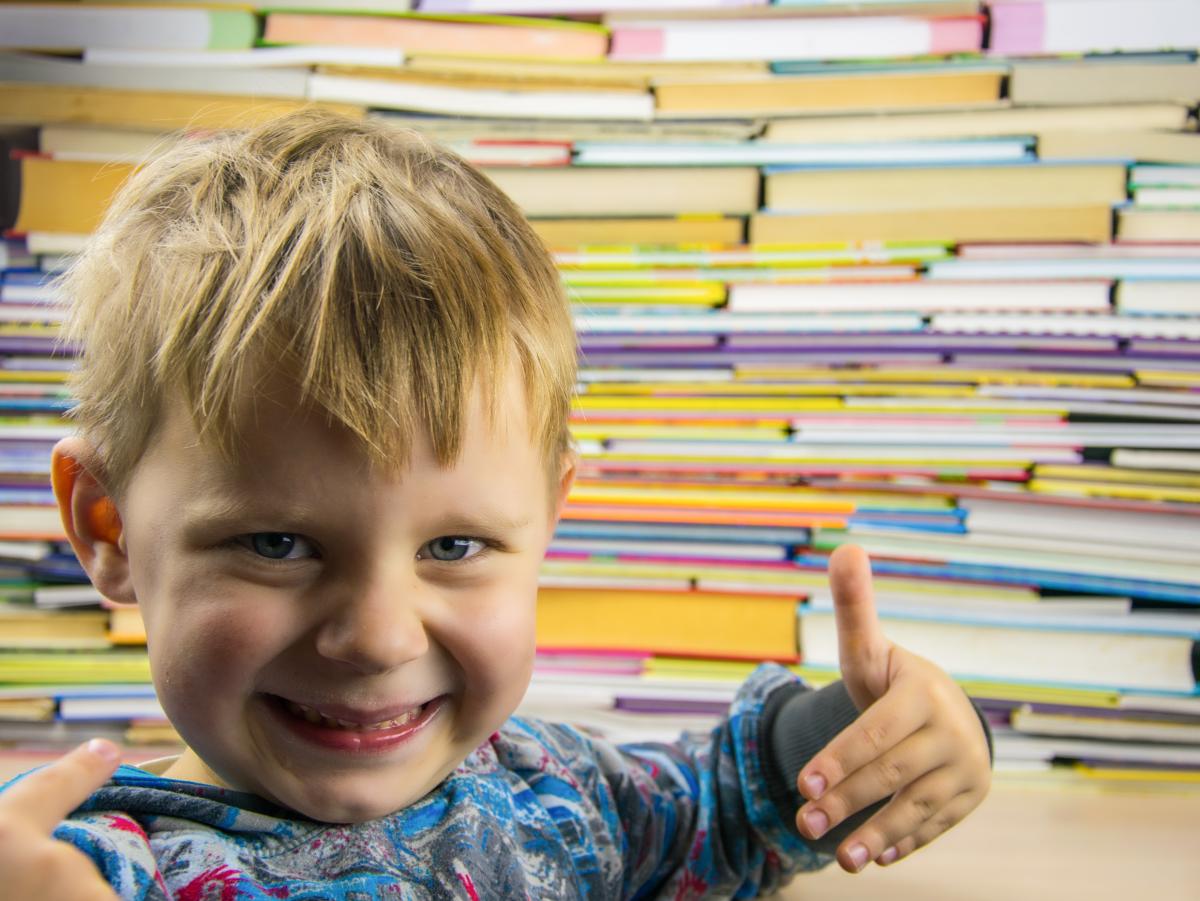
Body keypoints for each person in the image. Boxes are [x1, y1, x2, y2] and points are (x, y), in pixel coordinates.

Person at [0, 111, 992, 900]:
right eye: (278, 542)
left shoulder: (558, 800)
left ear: (547, 519)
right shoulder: (89, 871)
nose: (380, 636)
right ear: (111, 527)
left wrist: (881, 737)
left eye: (455, 543)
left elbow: (724, 815)